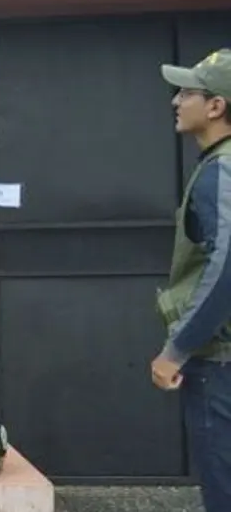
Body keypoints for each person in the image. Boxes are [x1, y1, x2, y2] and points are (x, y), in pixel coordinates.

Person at [156, 49, 231, 511]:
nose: (176, 101)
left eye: (187, 92)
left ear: (216, 106)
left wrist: (176, 349)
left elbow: (227, 266)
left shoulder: (221, 171)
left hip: (220, 363)